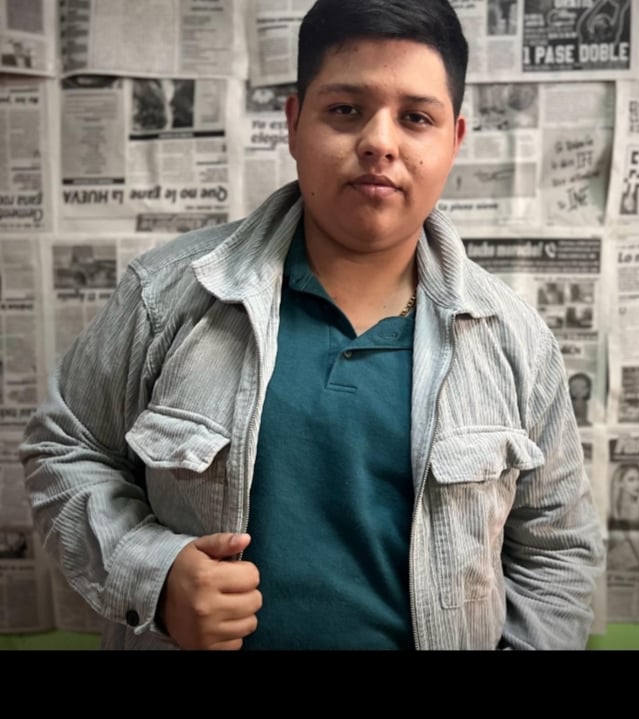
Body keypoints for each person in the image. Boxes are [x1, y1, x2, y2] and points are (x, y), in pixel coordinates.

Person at [19, 0, 604, 650]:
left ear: (454, 140)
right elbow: (62, 450)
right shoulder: (166, 296)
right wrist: (152, 576)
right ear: (294, 124)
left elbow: (557, 550)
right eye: (346, 110)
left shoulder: (517, 341)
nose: (379, 142)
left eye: (415, 117)